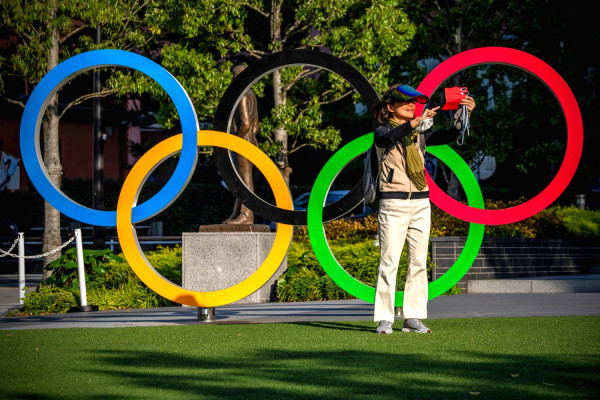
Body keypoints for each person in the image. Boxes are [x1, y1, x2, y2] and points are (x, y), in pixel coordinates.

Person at [371, 84, 476, 334]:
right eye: (406, 102)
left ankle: (413, 317)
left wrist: (463, 116)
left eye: (414, 103)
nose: (412, 106)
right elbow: (388, 138)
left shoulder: (420, 131)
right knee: (389, 262)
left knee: (418, 262)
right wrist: (415, 123)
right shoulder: (383, 130)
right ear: (390, 106)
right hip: (393, 203)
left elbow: (448, 135)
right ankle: (385, 319)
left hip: (421, 203)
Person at [223, 65, 260, 225]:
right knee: (241, 179)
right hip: (251, 141)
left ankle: (246, 214)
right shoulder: (252, 94)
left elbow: (245, 123)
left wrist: (235, 141)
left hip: (242, 142)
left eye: (234, 76)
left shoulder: (242, 95)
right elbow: (255, 125)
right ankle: (237, 212)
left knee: (245, 179)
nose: (232, 80)